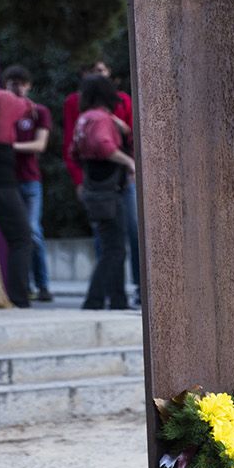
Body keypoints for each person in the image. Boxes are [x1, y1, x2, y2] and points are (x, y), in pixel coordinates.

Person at [64, 60, 139, 302]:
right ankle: (95, 300)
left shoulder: (85, 117)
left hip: (94, 185)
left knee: (110, 246)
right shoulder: (101, 118)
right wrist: (129, 162)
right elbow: (104, 146)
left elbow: (74, 150)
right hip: (109, 187)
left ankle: (117, 299)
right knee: (115, 248)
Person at [0, 55, 35, 307]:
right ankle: (19, 299)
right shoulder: (4, 99)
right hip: (2, 179)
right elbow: (29, 108)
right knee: (21, 237)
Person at [4, 65, 53, 302]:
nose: (18, 87)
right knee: (16, 233)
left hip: (30, 180)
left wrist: (9, 147)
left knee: (33, 231)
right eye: (13, 83)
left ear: (29, 85)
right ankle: (26, 285)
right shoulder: (4, 112)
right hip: (8, 181)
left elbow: (40, 145)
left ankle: (42, 284)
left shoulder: (38, 111)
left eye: (22, 83)